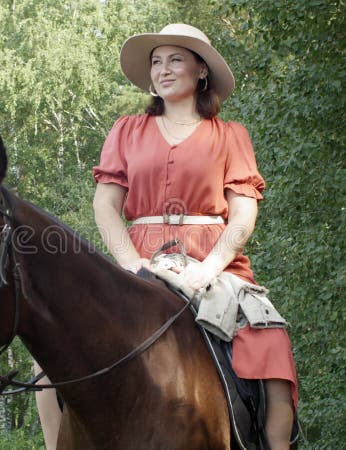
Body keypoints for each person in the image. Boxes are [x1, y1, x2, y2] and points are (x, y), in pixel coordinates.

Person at [36, 23, 298, 450]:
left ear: (201, 72)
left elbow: (243, 214)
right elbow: (105, 206)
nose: (163, 69)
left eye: (175, 59)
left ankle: (274, 445)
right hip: (135, 262)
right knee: (49, 356)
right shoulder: (126, 130)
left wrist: (209, 270)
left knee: (270, 340)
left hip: (215, 265)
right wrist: (128, 264)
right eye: (157, 62)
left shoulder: (231, 136)